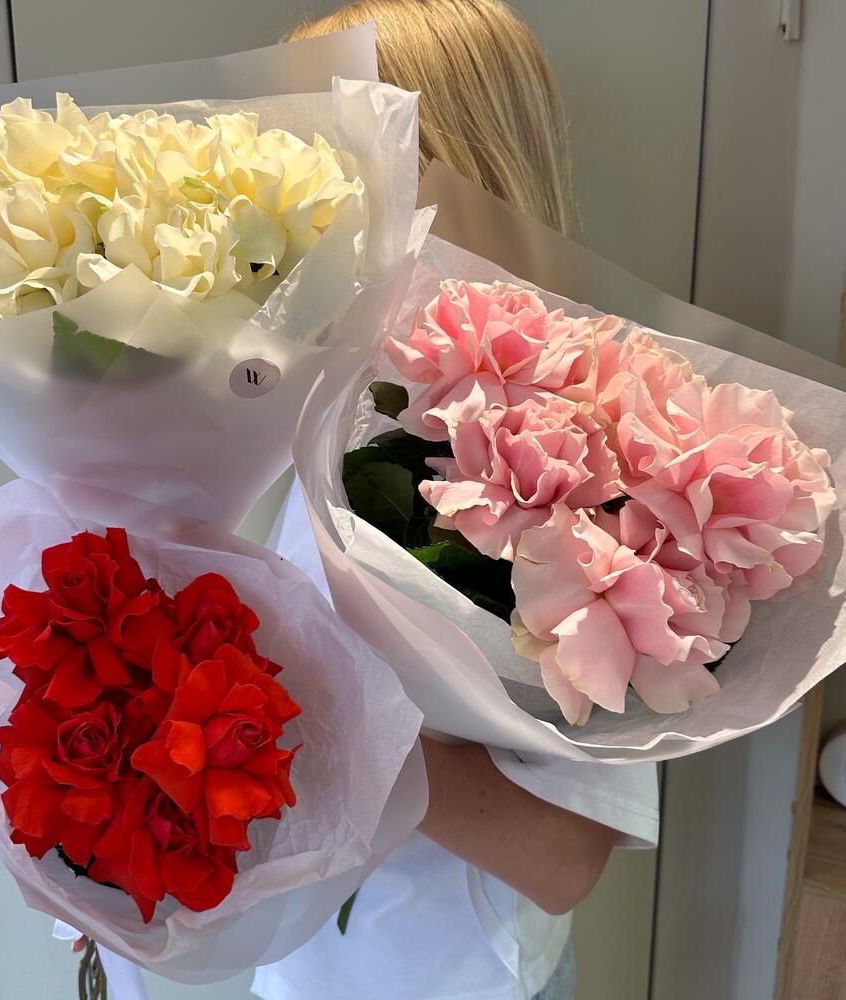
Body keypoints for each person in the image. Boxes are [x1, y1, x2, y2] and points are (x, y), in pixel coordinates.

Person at [251, 3, 660, 1000]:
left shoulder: (581, 447)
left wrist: (305, 714)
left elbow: (562, 858)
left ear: (446, 172)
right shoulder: (355, 398)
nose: (284, 210)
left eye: (324, 167)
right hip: (310, 974)